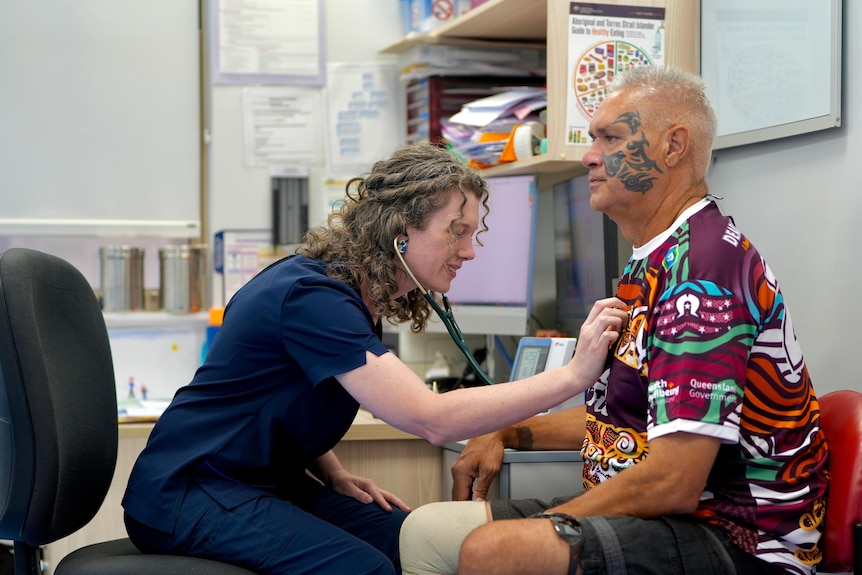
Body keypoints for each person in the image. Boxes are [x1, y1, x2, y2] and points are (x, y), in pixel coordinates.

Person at [121, 142, 629, 575]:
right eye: (457, 230)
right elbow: (429, 420)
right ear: (400, 230)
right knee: (365, 569)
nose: (469, 251)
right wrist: (575, 373)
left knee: (410, 542)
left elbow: (284, 394)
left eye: (473, 233)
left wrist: (335, 472)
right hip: (189, 489)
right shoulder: (312, 298)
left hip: (261, 481)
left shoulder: (355, 293)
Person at [399, 66, 829, 575]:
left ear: (674, 146)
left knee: (494, 551)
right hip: (664, 519)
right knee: (425, 531)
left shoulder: (703, 271)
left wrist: (542, 527)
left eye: (610, 137)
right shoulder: (651, 260)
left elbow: (674, 481)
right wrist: (509, 431)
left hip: (736, 539)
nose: (588, 156)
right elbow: (627, 422)